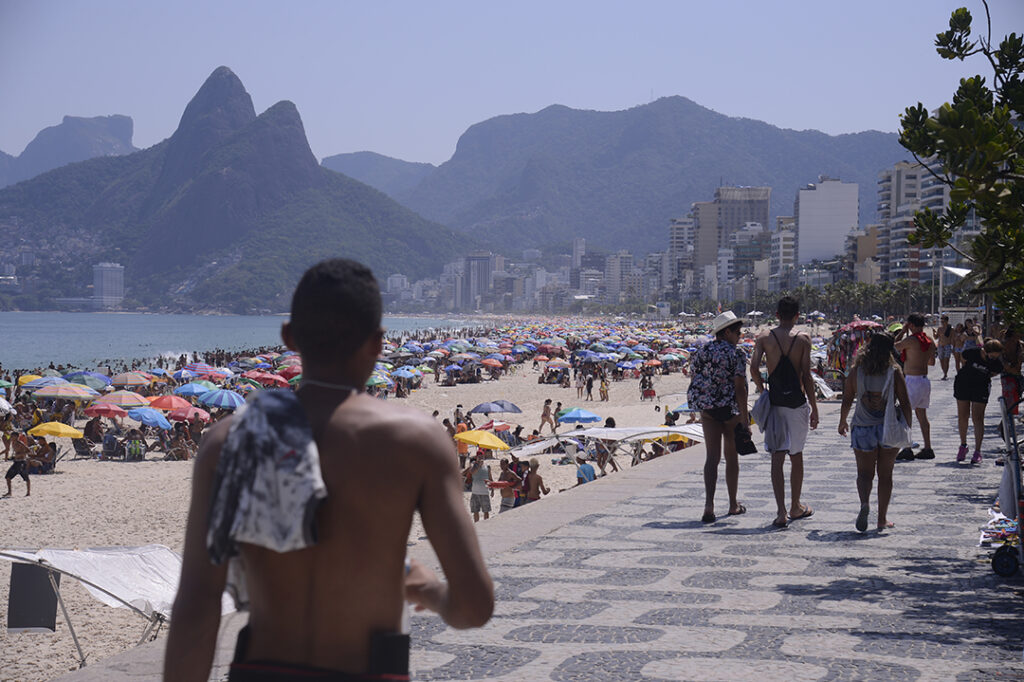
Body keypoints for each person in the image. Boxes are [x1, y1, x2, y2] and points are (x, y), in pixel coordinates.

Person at [165, 258, 493, 681]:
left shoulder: (228, 441)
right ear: (378, 343)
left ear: (289, 337)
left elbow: (197, 602)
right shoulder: (416, 441)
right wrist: (432, 591)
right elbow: (474, 606)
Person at [749, 296, 819, 528]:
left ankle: (781, 512)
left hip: (776, 403)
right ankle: (795, 506)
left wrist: (762, 389)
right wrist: (815, 407)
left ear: (777, 315)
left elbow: (753, 367)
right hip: (797, 404)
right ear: (797, 315)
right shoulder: (803, 339)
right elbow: (807, 375)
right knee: (796, 455)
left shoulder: (765, 337)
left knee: (777, 457)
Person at [838, 333, 912, 532]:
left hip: (862, 427)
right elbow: (905, 401)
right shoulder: (894, 371)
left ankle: (864, 504)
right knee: (885, 475)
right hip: (888, 428)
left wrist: (842, 421)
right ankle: (881, 519)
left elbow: (847, 398)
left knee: (864, 474)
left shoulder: (857, 371)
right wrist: (908, 428)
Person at [688, 311, 750, 523]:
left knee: (711, 458)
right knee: (731, 458)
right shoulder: (737, 354)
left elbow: (695, 374)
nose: (740, 335)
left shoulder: (703, 350)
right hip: (730, 410)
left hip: (708, 410)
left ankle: (709, 506)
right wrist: (745, 416)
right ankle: (733, 504)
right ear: (727, 332)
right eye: (737, 332)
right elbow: (740, 388)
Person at [893, 313, 936, 460]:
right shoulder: (929, 341)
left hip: (912, 380)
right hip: (924, 380)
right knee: (922, 416)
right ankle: (928, 447)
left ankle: (907, 447)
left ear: (911, 325)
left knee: (906, 414)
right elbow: (931, 362)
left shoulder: (911, 340)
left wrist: (902, 331)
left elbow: (893, 346)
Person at [954, 338, 1004, 464]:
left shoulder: (997, 364)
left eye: (995, 357)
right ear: (985, 351)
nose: (992, 359)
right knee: (963, 415)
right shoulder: (972, 352)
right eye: (991, 356)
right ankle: (963, 445)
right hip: (964, 383)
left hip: (981, 387)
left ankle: (977, 451)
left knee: (978, 417)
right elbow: (963, 358)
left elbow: (994, 372)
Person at [463, 450, 493, 522]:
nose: (480, 457)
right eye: (479, 456)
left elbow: (490, 478)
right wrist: (478, 465)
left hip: (485, 492)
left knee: (486, 511)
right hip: (475, 492)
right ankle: (477, 524)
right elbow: (472, 472)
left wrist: (492, 490)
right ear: (476, 457)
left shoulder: (487, 467)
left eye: (481, 456)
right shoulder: (473, 464)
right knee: (475, 511)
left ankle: (486, 524)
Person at [934, 315, 955, 380]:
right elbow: (936, 337)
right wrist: (934, 333)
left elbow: (952, 338)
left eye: (943, 321)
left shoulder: (950, 329)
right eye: (941, 321)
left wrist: (953, 347)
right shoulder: (940, 329)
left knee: (946, 360)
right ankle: (944, 372)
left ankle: (945, 374)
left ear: (947, 321)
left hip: (947, 345)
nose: (942, 322)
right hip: (940, 345)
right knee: (941, 360)